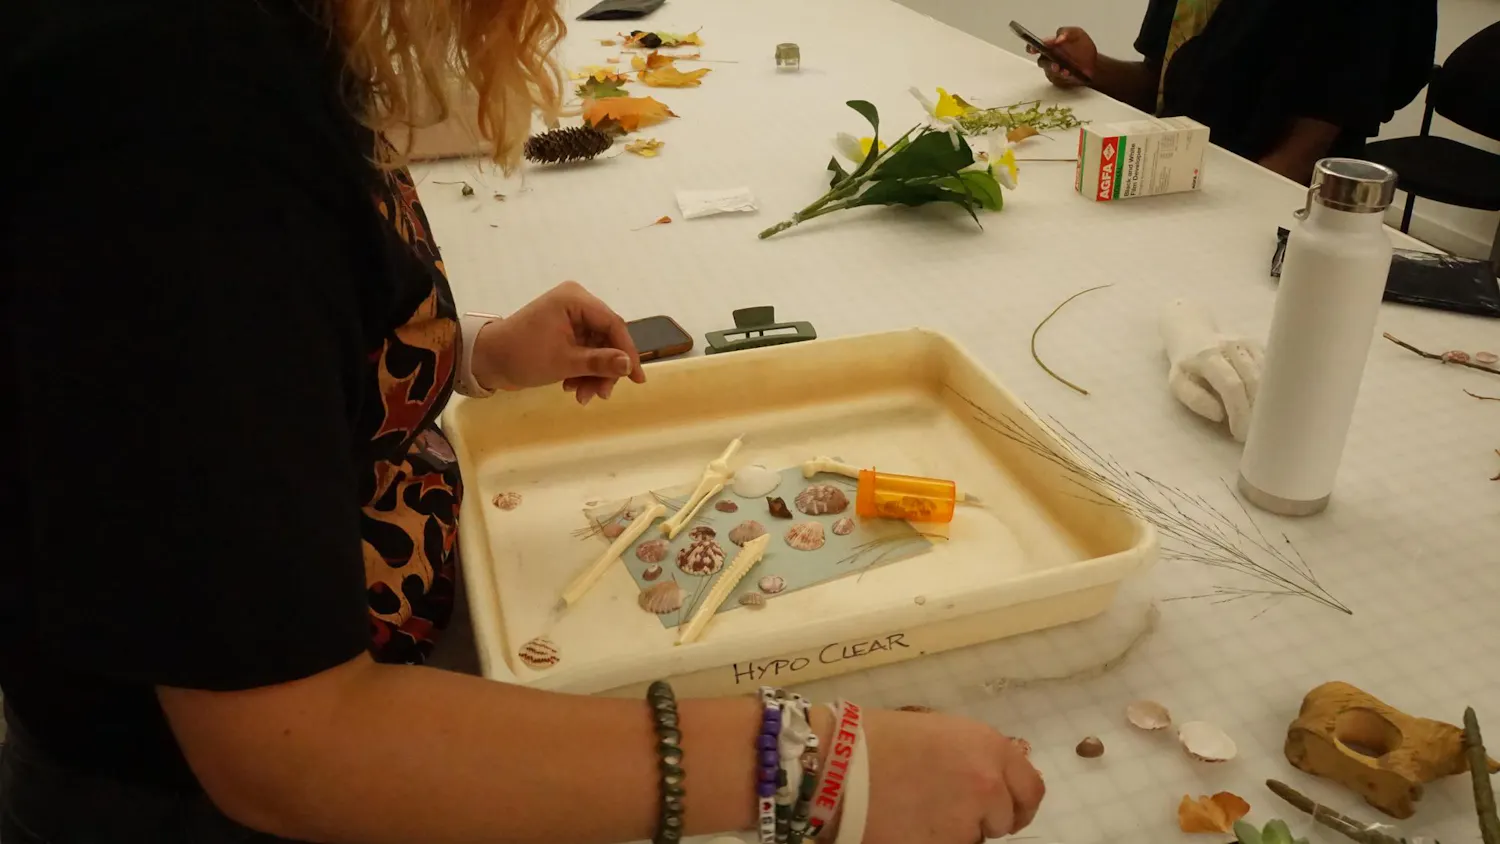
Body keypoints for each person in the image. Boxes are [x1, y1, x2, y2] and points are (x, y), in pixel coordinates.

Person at [0, 0, 1046, 842]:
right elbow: (294, 748)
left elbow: (226, 375)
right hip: (188, 796)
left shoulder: (264, 50)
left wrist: (474, 357)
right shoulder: (161, 108)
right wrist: (816, 765)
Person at [1031, 0, 1437, 184]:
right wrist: (1090, 67)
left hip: (1278, 209)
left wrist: (1203, 217)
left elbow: (1305, 152)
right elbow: (1159, 84)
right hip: (1181, 178)